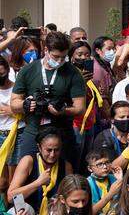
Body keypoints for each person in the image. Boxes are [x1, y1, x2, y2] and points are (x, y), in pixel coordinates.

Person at [10, 31, 86, 167]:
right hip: (33, 131)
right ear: (45, 50)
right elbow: (14, 103)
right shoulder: (28, 70)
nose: (59, 61)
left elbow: (80, 108)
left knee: (65, 179)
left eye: (63, 57)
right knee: (26, 173)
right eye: (56, 57)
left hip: (62, 133)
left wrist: (63, 110)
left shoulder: (73, 73)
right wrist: (26, 104)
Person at [8, 127, 73, 214]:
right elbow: (10, 197)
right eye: (49, 150)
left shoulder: (66, 166)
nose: (52, 154)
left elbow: (70, 196)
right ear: (39, 147)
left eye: (56, 150)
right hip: (28, 210)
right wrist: (37, 183)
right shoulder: (28, 161)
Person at [69, 41, 103, 173]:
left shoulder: (89, 78)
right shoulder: (70, 74)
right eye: (80, 54)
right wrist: (80, 83)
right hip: (77, 124)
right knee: (76, 160)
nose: (83, 58)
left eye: (87, 54)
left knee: (86, 160)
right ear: (72, 56)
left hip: (90, 123)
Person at [92, 101, 129, 171]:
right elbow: (110, 169)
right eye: (122, 117)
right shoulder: (103, 138)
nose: (126, 119)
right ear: (112, 120)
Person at [0, 56, 24, 202]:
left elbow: (29, 112)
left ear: (8, 70)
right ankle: (3, 208)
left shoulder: (17, 89)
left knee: (14, 181)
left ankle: (16, 208)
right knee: (2, 181)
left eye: (2, 73)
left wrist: (12, 110)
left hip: (17, 133)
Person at [86, 150, 123, 215]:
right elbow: (89, 212)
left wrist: (120, 179)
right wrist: (110, 194)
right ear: (90, 168)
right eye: (99, 164)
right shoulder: (87, 183)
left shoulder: (114, 177)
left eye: (107, 162)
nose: (105, 167)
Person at [92, 36, 118, 126]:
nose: (112, 52)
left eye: (113, 48)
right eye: (109, 49)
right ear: (98, 50)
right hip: (101, 117)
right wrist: (110, 118)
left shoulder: (105, 65)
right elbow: (102, 98)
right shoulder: (98, 69)